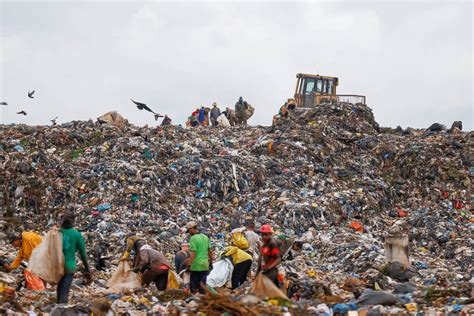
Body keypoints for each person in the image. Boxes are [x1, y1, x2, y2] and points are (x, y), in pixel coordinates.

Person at [58, 213, 91, 304]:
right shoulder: (76, 234)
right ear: (73, 222)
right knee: (64, 292)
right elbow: (83, 254)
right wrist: (87, 268)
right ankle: (62, 310)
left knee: (59, 290)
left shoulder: (58, 232)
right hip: (69, 267)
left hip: (57, 266)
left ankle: (58, 309)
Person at [187, 221, 212, 294]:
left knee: (193, 286)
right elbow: (210, 251)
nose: (189, 232)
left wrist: (189, 265)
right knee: (202, 285)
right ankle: (202, 299)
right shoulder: (205, 237)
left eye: (188, 231)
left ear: (191, 229)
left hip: (196, 266)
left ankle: (194, 300)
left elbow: (193, 253)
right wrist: (211, 262)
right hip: (205, 265)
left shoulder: (193, 238)